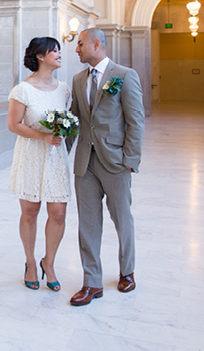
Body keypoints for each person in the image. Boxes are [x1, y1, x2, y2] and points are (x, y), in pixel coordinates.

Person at [67, 27, 145, 306]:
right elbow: (74, 121)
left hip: (115, 163)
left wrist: (130, 161)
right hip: (84, 164)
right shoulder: (77, 80)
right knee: (87, 224)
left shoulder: (124, 76)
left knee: (122, 220)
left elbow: (136, 121)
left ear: (96, 44)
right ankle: (92, 282)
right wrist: (61, 156)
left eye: (80, 44)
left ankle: (127, 271)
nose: (76, 49)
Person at [7, 37, 72, 292]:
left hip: (56, 157)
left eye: (58, 50)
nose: (58, 54)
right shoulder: (23, 89)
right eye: (53, 50)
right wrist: (43, 136)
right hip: (31, 154)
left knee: (58, 212)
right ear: (40, 56)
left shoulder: (64, 89)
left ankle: (50, 262)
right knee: (30, 211)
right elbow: (14, 125)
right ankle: (31, 262)